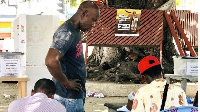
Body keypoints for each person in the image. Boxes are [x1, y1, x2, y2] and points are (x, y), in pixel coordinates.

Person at [45, 1, 100, 112]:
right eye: (93, 20)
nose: (93, 24)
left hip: (73, 95)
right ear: (84, 13)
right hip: (67, 96)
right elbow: (50, 61)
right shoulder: (66, 32)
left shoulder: (75, 30)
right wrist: (66, 82)